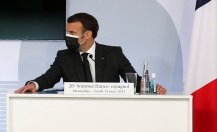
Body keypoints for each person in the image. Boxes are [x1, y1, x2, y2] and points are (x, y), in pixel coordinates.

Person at [15, 12, 166, 94]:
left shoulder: (113, 53)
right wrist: (34, 85)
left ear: (87, 35)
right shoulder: (64, 56)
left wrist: (152, 87)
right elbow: (48, 78)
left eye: (72, 33)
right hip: (75, 115)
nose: (68, 36)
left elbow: (133, 81)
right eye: (67, 32)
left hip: (112, 113)